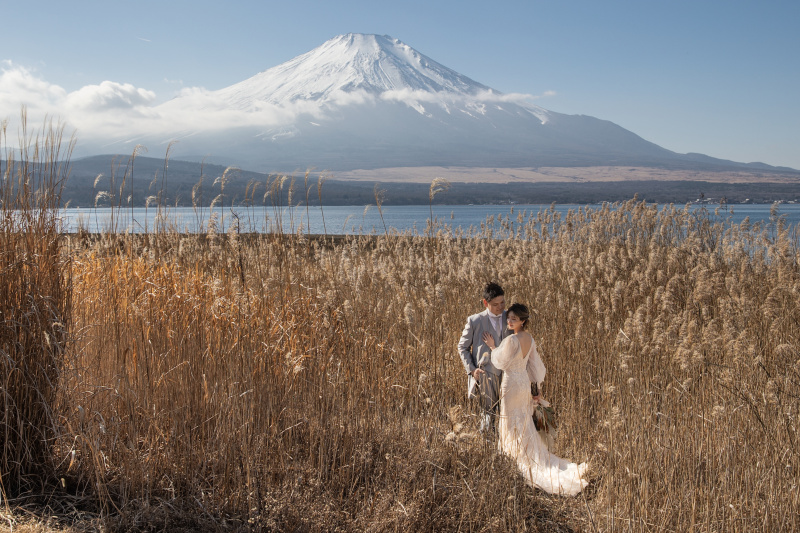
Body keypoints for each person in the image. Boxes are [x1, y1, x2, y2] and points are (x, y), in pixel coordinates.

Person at [483, 303, 589, 496]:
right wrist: (536, 388)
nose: (509, 321)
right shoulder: (530, 339)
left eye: (514, 319)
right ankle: (526, 454)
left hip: (511, 384)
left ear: (523, 321)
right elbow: (536, 366)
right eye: (509, 318)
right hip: (523, 382)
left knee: (509, 421)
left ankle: (515, 458)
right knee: (522, 420)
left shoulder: (511, 340)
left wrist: (492, 347)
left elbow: (499, 361)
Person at [457, 282, 509, 432]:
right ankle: (487, 445)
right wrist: (472, 370)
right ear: (485, 303)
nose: (501, 307)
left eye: (502, 302)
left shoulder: (511, 317)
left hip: (508, 374)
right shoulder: (475, 321)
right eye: (495, 304)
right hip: (486, 374)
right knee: (487, 415)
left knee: (508, 415)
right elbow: (462, 347)